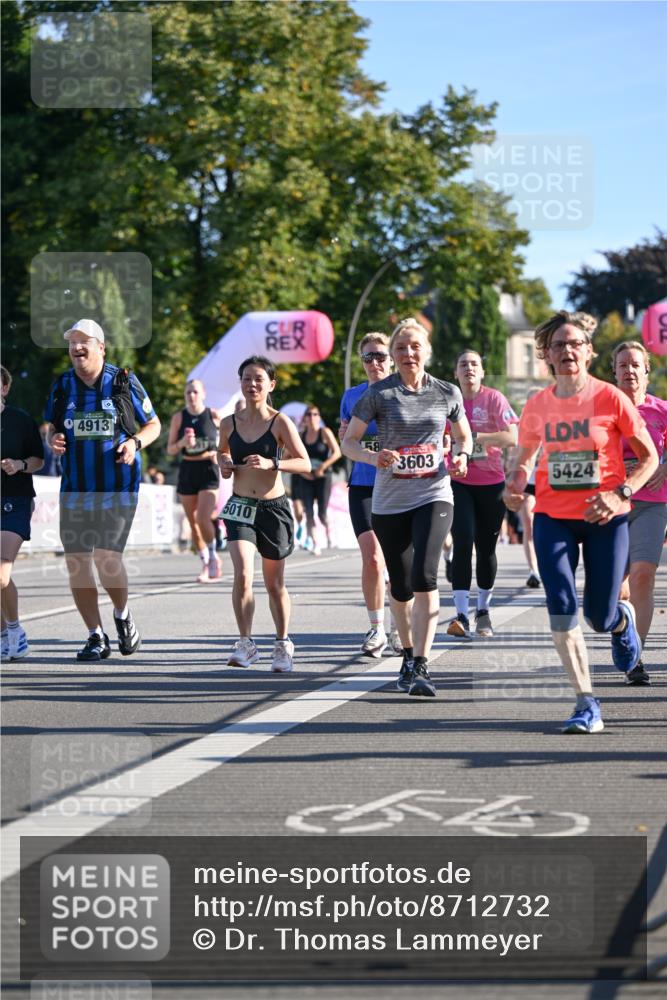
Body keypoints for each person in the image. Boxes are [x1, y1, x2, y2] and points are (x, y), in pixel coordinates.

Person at [504, 310, 658, 734]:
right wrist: (513, 484)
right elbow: (524, 458)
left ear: (588, 352)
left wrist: (621, 492)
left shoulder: (611, 398)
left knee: (598, 616)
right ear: (547, 356)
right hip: (553, 517)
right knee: (561, 604)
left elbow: (650, 458)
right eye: (559, 345)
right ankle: (585, 702)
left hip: (605, 517)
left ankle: (620, 621)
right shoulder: (537, 403)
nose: (567, 350)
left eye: (575, 344)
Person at [342, 317, 473, 697]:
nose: (408, 353)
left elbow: (463, 434)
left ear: (426, 351)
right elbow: (348, 442)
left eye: (415, 347)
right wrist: (372, 456)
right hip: (389, 499)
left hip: (434, 492)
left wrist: (462, 455)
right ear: (393, 355)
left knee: (425, 576)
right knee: (399, 586)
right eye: (401, 348)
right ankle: (407, 653)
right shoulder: (378, 395)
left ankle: (422, 664)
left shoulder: (447, 392)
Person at [44, 318, 161, 661]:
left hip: (118, 486)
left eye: (84, 342)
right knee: (77, 563)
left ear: (101, 347)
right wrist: (54, 439)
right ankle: (95, 636)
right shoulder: (62, 385)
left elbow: (153, 425)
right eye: (72, 343)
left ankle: (123, 616)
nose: (77, 348)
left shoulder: (122, 382)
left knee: (106, 558)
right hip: (76, 488)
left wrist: (136, 443)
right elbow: (52, 426)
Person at [218, 356, 311, 673]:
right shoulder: (229, 423)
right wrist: (224, 463)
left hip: (274, 508)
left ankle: (283, 643)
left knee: (274, 585)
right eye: (246, 378)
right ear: (240, 383)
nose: (252, 384)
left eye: (258, 378)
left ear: (271, 384)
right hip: (241, 506)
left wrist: (274, 464)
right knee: (243, 573)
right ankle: (245, 643)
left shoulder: (280, 422)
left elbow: (304, 463)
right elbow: (223, 451)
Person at [447, 350, 518, 638]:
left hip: (491, 483)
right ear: (455, 373)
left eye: (474, 364)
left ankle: (484, 610)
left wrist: (474, 438)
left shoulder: (494, 399)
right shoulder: (449, 400)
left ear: (482, 372)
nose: (469, 368)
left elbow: (512, 436)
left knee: (486, 548)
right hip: (459, 481)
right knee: (463, 541)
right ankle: (462, 615)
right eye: (463, 364)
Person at [339, 332, 402, 657]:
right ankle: (376, 628)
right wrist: (348, 440)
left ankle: (397, 626)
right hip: (363, 483)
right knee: (373, 557)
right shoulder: (351, 396)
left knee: (397, 561)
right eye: (368, 357)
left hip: (400, 485)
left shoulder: (401, 393)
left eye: (380, 356)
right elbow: (346, 441)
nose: (374, 362)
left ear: (390, 359)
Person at [612, 340, 667, 685]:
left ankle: (635, 660)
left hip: (653, 502)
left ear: (647, 370)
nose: (629, 371)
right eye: (623, 365)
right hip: (613, 503)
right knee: (616, 589)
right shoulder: (603, 410)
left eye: (635, 364)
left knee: (643, 574)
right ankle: (623, 628)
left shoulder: (661, 410)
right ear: (614, 372)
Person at [1, 365, 44, 660]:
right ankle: (5, 634)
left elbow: (39, 460)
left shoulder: (20, 420)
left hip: (14, 501)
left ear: (4, 388)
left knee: (1, 574)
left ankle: (14, 630)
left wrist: (19, 465)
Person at [167, 379, 223, 583]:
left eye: (195, 392)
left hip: (208, 469)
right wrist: (182, 442)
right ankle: (207, 562)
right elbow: (170, 449)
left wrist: (218, 452)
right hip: (188, 469)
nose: (191, 396)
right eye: (188, 392)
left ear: (203, 394)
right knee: (192, 522)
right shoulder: (178, 418)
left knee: (203, 518)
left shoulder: (213, 415)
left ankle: (213, 555)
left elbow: (230, 441)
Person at [295, 406, 341, 555]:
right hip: (306, 477)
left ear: (319, 417)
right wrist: (302, 470)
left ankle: (329, 530)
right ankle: (315, 543)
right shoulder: (300, 436)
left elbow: (337, 453)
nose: (312, 417)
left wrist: (323, 466)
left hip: (323, 477)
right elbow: (289, 455)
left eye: (315, 414)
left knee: (322, 512)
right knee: (308, 511)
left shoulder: (325, 432)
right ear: (304, 418)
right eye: (309, 414)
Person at [515, 389, 543, 588]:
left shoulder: (555, 420)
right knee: (530, 526)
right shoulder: (521, 425)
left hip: (551, 481)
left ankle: (548, 565)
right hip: (528, 481)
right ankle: (534, 571)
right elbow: (513, 453)